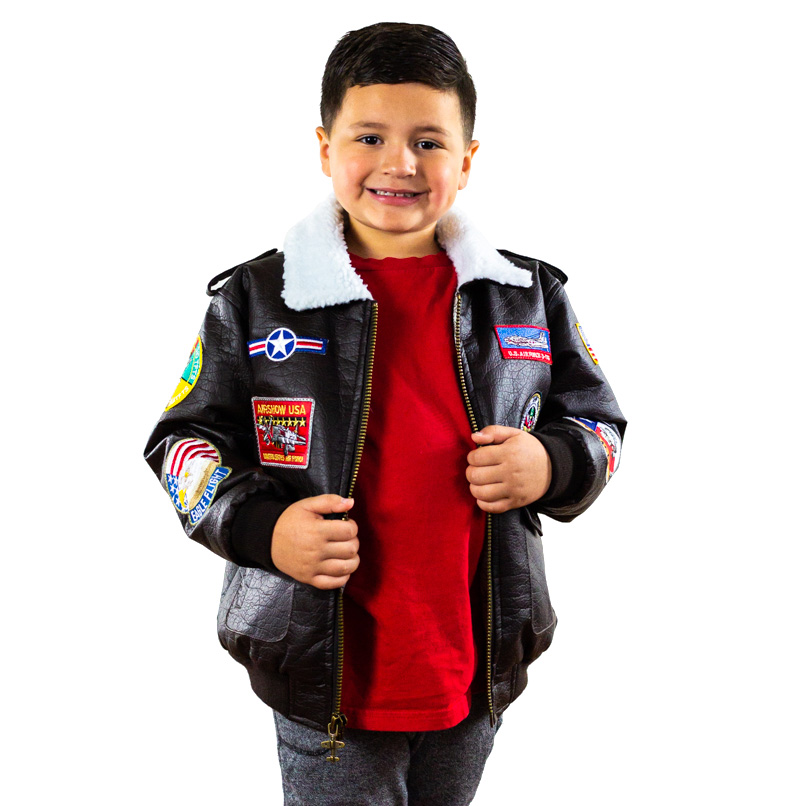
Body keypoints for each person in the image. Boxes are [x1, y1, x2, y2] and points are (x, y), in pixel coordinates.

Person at [144, 21, 626, 806]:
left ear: (467, 160)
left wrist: (552, 463)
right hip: (324, 674)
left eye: (429, 142)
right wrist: (265, 529)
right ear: (324, 148)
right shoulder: (258, 300)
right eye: (369, 136)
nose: (400, 163)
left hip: (475, 669)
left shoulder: (526, 296)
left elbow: (601, 425)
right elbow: (182, 443)